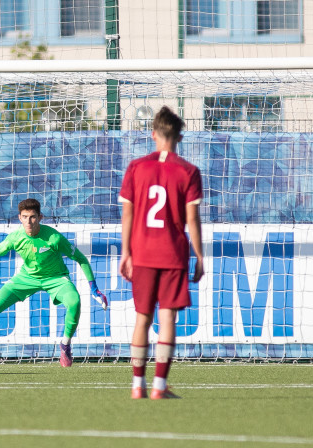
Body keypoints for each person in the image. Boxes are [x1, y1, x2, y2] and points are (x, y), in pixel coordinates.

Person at [0, 198, 108, 368]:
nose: (29, 221)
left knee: (75, 302)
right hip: (26, 279)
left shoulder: (54, 238)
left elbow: (81, 259)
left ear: (40, 217)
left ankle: (65, 345)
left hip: (56, 279)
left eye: (33, 217)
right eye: (25, 216)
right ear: (19, 218)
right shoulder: (15, 237)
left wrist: (94, 289)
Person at [118, 106, 204, 400]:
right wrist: (200, 256)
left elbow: (127, 215)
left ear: (153, 134)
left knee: (142, 318)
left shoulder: (136, 167)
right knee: (167, 319)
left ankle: (136, 386)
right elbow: (192, 220)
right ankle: (159, 386)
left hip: (141, 253)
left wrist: (125, 252)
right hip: (172, 254)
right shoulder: (189, 171)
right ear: (179, 136)